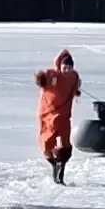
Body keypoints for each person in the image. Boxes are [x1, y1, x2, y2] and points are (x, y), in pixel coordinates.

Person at [34, 49, 81, 184]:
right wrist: (39, 79)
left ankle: (61, 169)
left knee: (65, 145)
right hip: (47, 114)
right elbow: (40, 79)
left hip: (64, 115)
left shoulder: (74, 76)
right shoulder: (51, 74)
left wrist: (76, 90)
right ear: (60, 66)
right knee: (46, 143)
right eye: (65, 68)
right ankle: (54, 163)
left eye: (69, 68)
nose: (67, 71)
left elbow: (75, 87)